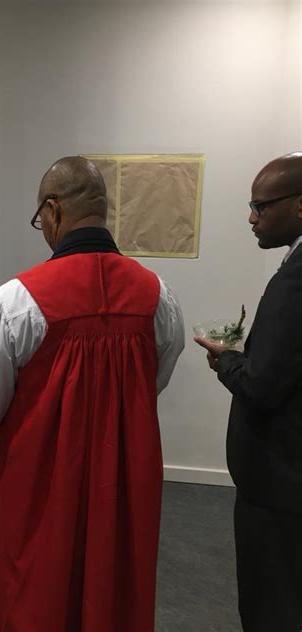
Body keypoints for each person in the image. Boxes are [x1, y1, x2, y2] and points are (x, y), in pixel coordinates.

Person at [0, 156, 185, 631]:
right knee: (116, 575)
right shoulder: (157, 295)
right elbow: (154, 379)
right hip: (123, 468)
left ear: (52, 210)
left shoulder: (17, 301)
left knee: (37, 582)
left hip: (42, 472)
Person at [195, 152, 302, 632]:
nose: (251, 217)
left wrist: (226, 360)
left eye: (261, 205)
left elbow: (261, 386)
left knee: (271, 604)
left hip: (280, 479)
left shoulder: (296, 279)